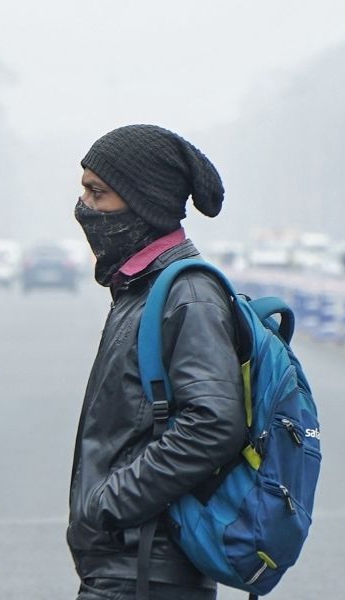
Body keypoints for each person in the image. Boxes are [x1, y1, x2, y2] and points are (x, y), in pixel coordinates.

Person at [67, 124, 247, 600]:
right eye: (83, 190)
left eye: (98, 192)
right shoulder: (141, 289)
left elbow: (214, 420)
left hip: (148, 570)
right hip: (126, 567)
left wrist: (109, 504)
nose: (84, 207)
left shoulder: (186, 294)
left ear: (143, 201)